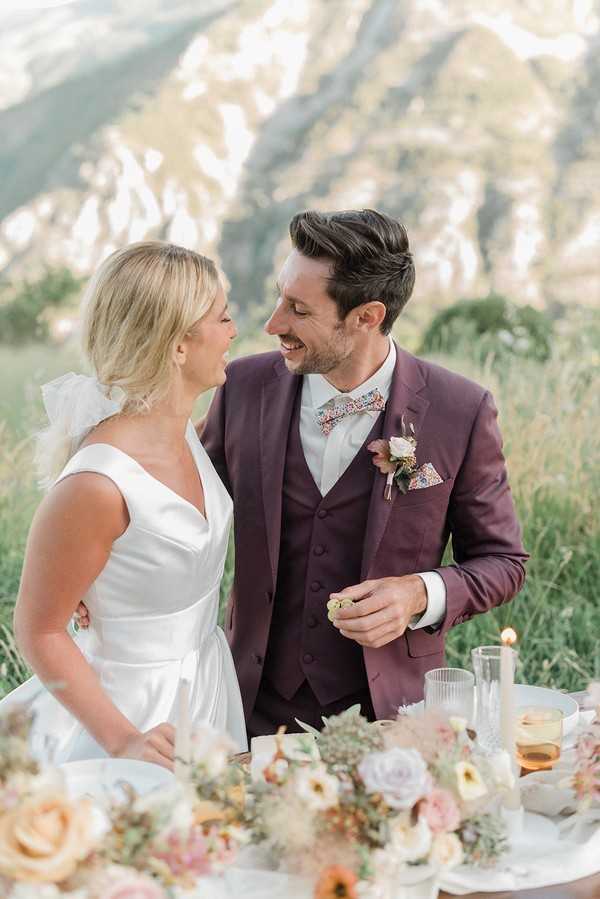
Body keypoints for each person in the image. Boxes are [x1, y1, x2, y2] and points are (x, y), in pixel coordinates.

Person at [201, 209, 528, 738]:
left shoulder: (459, 410)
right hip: (248, 704)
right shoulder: (240, 387)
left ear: (366, 316)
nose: (273, 323)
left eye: (298, 309)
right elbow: (175, 502)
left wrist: (419, 594)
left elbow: (503, 561)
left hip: (394, 716)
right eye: (280, 297)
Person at [0, 241, 247, 768]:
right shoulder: (98, 483)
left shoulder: (184, 433)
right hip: (123, 714)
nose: (233, 332)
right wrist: (124, 741)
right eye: (222, 318)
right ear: (177, 344)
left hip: (203, 686)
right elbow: (38, 628)